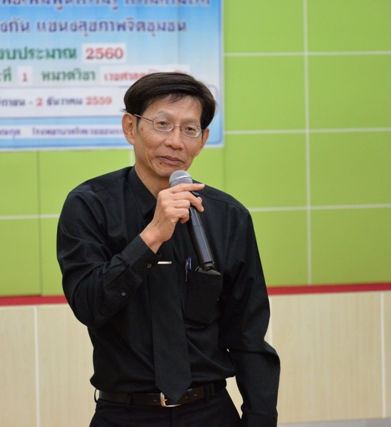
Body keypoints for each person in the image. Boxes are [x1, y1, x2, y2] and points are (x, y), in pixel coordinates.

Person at [57, 72, 280, 427]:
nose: (175, 142)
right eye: (162, 124)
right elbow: (88, 304)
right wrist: (151, 237)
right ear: (130, 128)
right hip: (125, 414)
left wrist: (260, 419)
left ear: (202, 140)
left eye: (189, 129)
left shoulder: (228, 217)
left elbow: (248, 335)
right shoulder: (90, 205)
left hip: (210, 412)